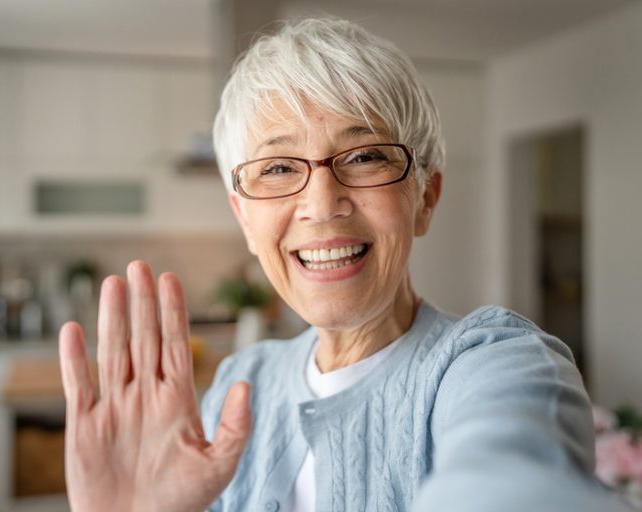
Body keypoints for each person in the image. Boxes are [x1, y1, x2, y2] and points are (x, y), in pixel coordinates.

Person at [58, 18, 632, 512]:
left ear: (425, 199)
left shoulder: (494, 363)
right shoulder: (240, 384)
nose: (321, 202)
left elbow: (512, 475)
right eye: (278, 168)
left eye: (364, 156)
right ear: (244, 219)